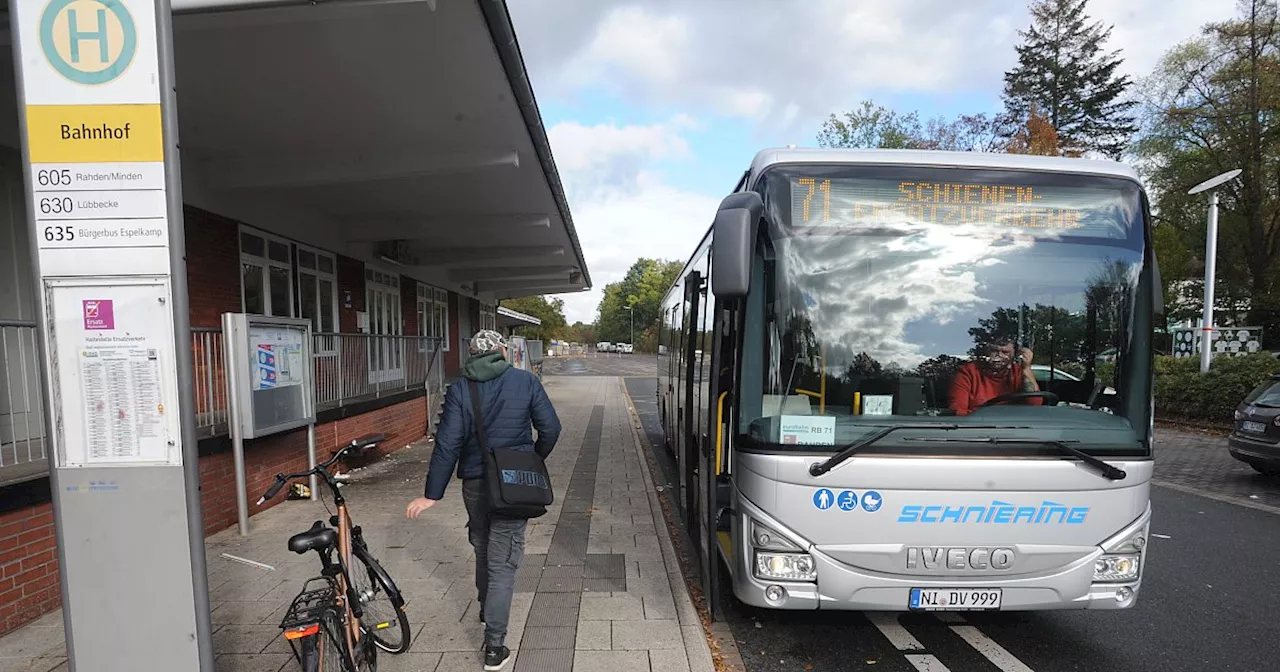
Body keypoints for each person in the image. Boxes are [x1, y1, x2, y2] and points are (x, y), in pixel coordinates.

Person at [406, 329, 561, 671]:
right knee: (503, 562)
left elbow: (447, 444)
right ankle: (494, 646)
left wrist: (432, 494)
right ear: (501, 351)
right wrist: (532, 459)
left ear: (473, 355)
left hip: (475, 484)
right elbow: (551, 428)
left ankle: (484, 606)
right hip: (513, 483)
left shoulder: (461, 388)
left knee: (483, 547)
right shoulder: (525, 381)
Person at [948, 337, 1043, 416]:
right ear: (987, 351)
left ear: (1015, 354)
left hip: (1014, 429)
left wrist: (1026, 369)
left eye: (1005, 352)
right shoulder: (969, 372)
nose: (999, 356)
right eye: (994, 351)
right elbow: (957, 411)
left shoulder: (1019, 372)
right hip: (978, 429)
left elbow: (1035, 405)